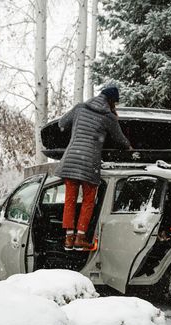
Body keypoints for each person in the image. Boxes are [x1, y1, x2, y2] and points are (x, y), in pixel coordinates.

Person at [55, 86, 132, 251]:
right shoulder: (108, 117)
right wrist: (130, 148)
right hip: (89, 162)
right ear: (111, 101)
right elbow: (120, 140)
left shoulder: (80, 107)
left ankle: (69, 238)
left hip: (71, 159)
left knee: (70, 199)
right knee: (88, 201)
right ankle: (80, 238)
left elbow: (61, 123)